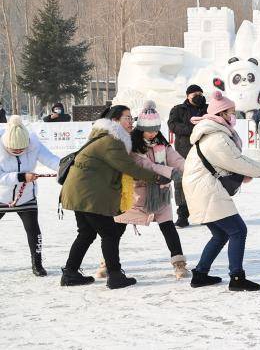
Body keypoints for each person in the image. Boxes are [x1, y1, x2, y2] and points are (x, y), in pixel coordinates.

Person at [59, 105, 168, 289]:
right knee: (109, 233)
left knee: (86, 233)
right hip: (88, 194)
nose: (131, 121)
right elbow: (128, 167)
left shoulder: (103, 136)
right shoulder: (112, 141)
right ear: (115, 120)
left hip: (79, 192)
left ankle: (70, 273)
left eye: (131, 117)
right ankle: (115, 276)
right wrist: (156, 177)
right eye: (127, 117)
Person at [183, 90, 260, 291]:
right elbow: (237, 161)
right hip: (207, 191)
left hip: (204, 190)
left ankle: (200, 274)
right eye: (231, 112)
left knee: (221, 234)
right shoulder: (216, 138)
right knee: (238, 230)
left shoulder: (214, 134)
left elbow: (229, 162)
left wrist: (249, 173)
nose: (234, 116)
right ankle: (237, 278)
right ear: (220, 115)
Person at [106, 101, 190, 280]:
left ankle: (179, 264)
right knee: (117, 228)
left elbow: (176, 159)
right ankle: (107, 263)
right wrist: (170, 172)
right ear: (140, 128)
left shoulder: (162, 144)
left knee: (168, 228)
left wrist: (191, 168)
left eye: (155, 129)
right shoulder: (132, 147)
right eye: (149, 129)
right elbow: (146, 166)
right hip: (137, 196)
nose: (153, 133)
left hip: (160, 195)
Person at [0, 115, 61, 275]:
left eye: (22, 149)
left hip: (26, 195)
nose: (18, 152)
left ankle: (37, 263)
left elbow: (51, 160)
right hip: (1, 196)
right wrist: (21, 176)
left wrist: (67, 169)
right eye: (14, 150)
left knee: (33, 229)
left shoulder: (33, 143)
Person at [167, 84, 207, 228]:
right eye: (194, 94)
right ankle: (183, 215)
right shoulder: (178, 109)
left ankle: (205, 214)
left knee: (204, 183)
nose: (198, 96)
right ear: (187, 96)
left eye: (200, 94)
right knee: (182, 183)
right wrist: (192, 129)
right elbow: (172, 125)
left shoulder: (207, 108)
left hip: (205, 151)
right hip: (184, 152)